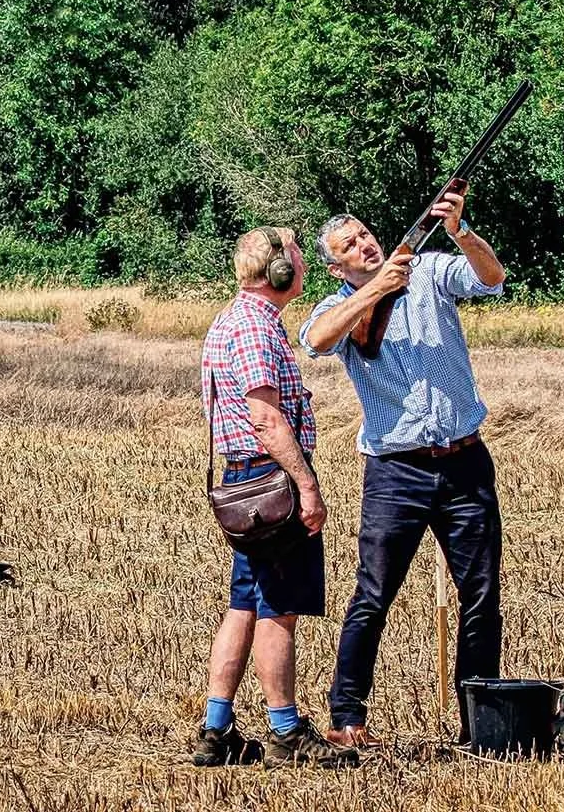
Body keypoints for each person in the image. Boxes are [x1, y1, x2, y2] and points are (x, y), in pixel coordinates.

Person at [298, 188, 510, 749]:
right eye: (350, 246)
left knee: (481, 595)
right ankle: (346, 717)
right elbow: (317, 340)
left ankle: (480, 725)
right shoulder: (336, 307)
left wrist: (461, 231)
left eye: (366, 235)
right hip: (397, 471)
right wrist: (375, 290)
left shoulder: (432, 271)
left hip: (465, 462)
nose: (365, 245)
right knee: (373, 594)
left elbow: (490, 278)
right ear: (334, 264)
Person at [191, 226, 355, 769]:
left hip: (245, 482)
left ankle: (216, 730)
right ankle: (285, 730)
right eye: (299, 259)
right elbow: (265, 415)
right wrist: (306, 484)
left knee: (243, 606)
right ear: (279, 272)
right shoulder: (257, 330)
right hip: (271, 483)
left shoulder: (233, 319)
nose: (304, 267)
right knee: (279, 608)